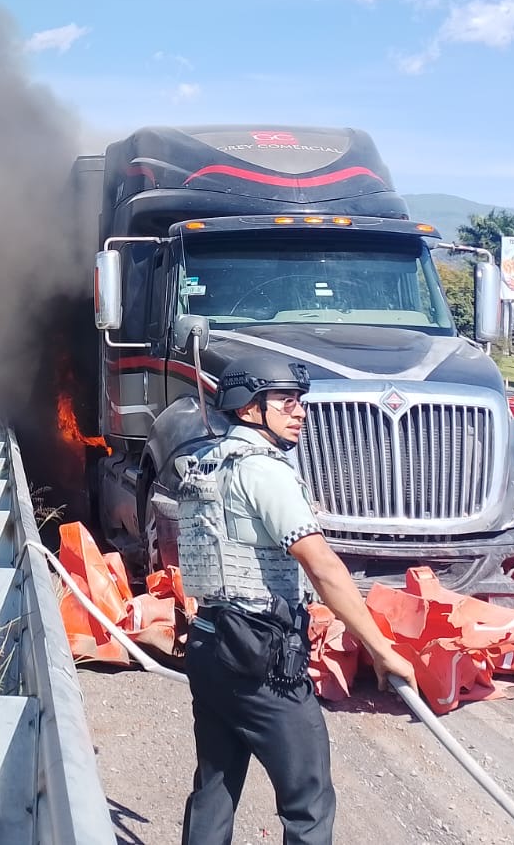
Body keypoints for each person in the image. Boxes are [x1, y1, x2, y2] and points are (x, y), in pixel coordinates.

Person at [174, 353, 416, 845]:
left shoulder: (206, 461)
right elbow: (323, 566)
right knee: (309, 802)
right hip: (260, 657)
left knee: (214, 789)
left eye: (300, 401)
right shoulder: (265, 472)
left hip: (209, 642)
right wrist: (381, 650)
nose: (299, 412)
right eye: (286, 402)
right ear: (248, 409)